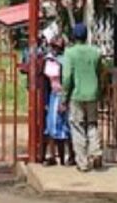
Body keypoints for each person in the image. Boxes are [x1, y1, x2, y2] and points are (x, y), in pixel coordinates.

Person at [62, 22, 103, 172]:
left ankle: (83, 162)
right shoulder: (96, 52)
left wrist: (63, 97)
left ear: (73, 36)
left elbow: (67, 78)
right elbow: (99, 73)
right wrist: (100, 92)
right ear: (86, 36)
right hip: (92, 93)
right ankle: (96, 151)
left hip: (76, 95)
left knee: (77, 126)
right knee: (92, 124)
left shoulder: (70, 53)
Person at [42, 37, 74, 166]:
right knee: (52, 125)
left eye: (57, 47)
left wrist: (64, 99)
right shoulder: (48, 60)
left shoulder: (65, 61)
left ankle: (70, 155)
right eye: (53, 47)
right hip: (53, 95)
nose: (54, 50)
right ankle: (53, 156)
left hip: (64, 95)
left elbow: (67, 80)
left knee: (67, 126)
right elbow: (46, 81)